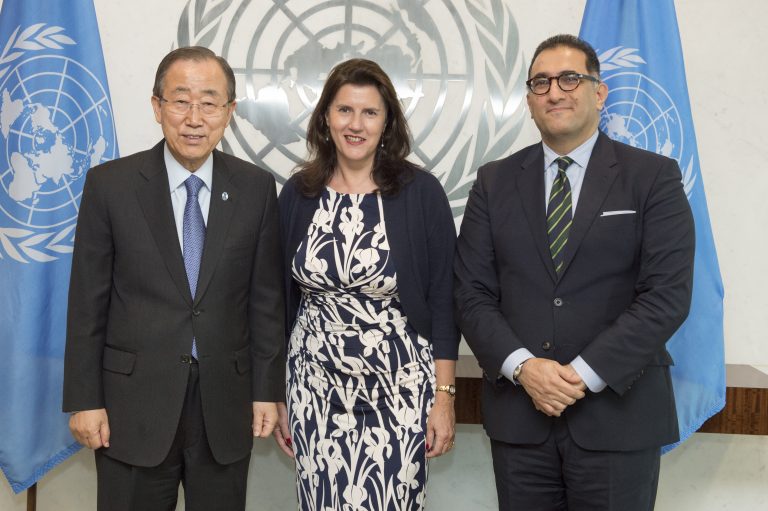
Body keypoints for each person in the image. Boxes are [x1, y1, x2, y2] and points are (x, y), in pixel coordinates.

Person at [454, 34, 695, 511]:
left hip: (619, 419)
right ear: (528, 101)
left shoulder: (653, 177)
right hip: (521, 421)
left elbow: (665, 295)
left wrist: (579, 376)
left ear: (599, 92)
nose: (555, 92)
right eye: (540, 82)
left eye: (570, 78)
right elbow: (471, 292)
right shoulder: (494, 181)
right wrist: (525, 369)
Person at [62, 46, 285, 511]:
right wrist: (84, 399)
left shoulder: (255, 188)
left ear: (230, 112)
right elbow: (87, 303)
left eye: (209, 102)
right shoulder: (110, 186)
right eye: (180, 100)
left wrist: (267, 390)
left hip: (224, 405)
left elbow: (265, 302)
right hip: (130, 409)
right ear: (156, 106)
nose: (194, 117)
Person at [275, 58, 459, 510]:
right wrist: (277, 394)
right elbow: (277, 301)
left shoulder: (422, 193)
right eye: (344, 111)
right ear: (325, 118)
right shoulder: (299, 193)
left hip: (399, 393)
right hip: (313, 391)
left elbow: (444, 301)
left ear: (387, 122)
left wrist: (444, 397)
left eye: (370, 112)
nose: (355, 125)